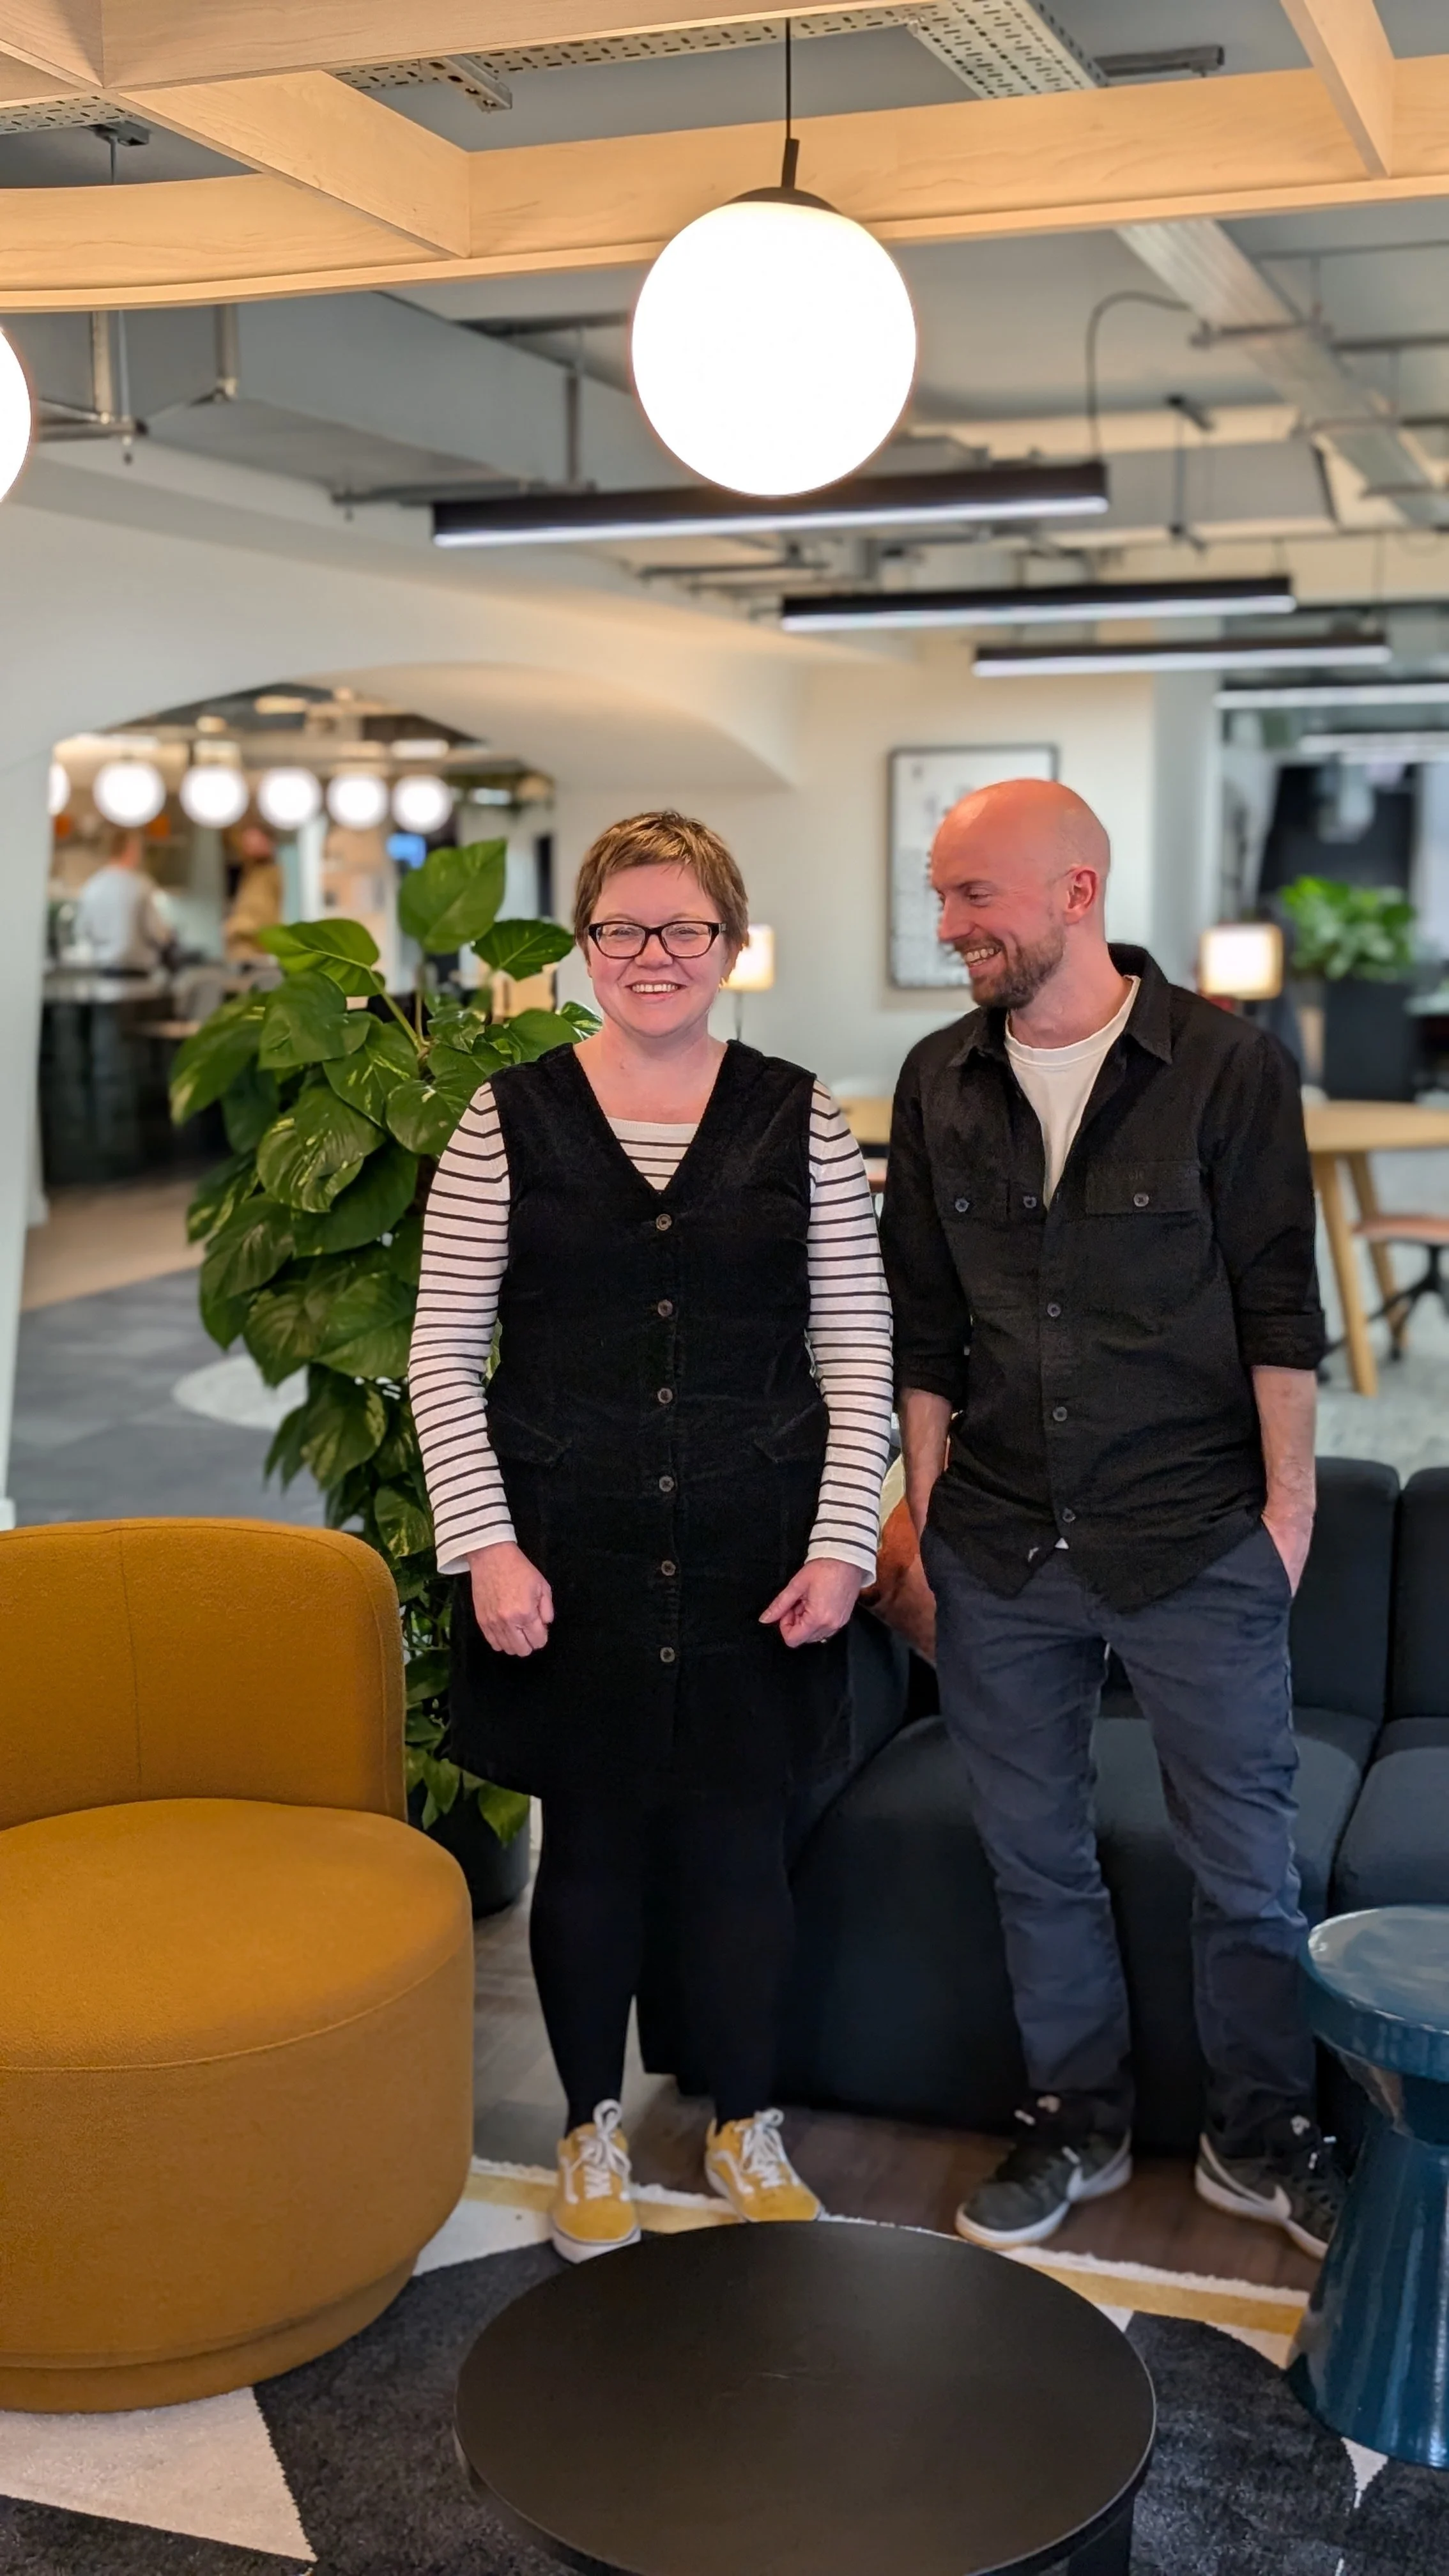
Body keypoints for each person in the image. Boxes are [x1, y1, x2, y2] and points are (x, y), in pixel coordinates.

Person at [410, 809, 893, 2260]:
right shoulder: (508, 1117)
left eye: (684, 928)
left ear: (730, 946)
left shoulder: (799, 1115)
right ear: (585, 945)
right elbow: (442, 1351)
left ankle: (746, 2124)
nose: (653, 955)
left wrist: (843, 1545)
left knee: (744, 1849)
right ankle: (587, 2128)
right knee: (594, 1853)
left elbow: (861, 1348)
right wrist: (485, 1544)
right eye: (624, 928)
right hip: (564, 1552)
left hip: (759, 1553)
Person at [880, 777, 1340, 2258]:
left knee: (1247, 1870)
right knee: (1034, 1859)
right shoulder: (938, 1078)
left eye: (974, 898)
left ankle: (1258, 2137)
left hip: (1195, 1532)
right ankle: (1073, 2119)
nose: (949, 926)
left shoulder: (1226, 1068)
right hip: (1002, 1542)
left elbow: (1282, 1303)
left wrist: (1286, 1511)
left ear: (1076, 894)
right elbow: (925, 1320)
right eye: (945, 895)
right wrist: (927, 1503)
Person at [73, 829, 174, 974]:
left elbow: (82, 929)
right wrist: (169, 935)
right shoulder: (140, 885)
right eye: (139, 849)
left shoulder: (93, 885)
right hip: (137, 972)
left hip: (102, 969)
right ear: (130, 849)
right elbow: (158, 933)